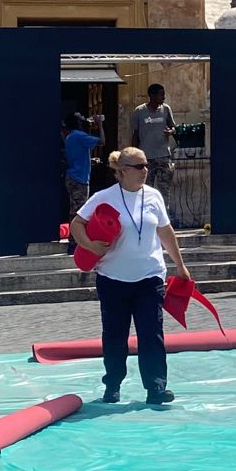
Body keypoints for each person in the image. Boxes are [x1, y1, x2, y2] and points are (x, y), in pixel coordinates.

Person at [70, 147, 193, 406]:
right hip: (113, 278)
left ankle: (156, 388)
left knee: (152, 333)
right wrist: (90, 246)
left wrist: (180, 266)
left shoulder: (154, 196)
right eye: (139, 167)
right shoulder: (105, 197)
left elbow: (165, 231)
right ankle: (112, 385)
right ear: (122, 171)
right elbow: (76, 224)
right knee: (115, 335)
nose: (145, 171)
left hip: (150, 276)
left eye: (146, 165)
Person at [130, 84, 177, 193]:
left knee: (165, 191)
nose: (163, 98)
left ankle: (164, 210)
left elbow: (173, 126)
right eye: (161, 95)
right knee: (145, 190)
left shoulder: (166, 109)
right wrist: (134, 156)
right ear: (152, 95)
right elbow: (135, 134)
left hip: (163, 157)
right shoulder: (139, 111)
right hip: (146, 158)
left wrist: (171, 131)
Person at [60, 112, 99, 216]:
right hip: (79, 177)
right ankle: (75, 232)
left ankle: (72, 231)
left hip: (71, 175)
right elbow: (102, 141)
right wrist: (99, 124)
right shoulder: (79, 136)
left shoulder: (70, 136)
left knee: (74, 207)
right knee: (80, 211)